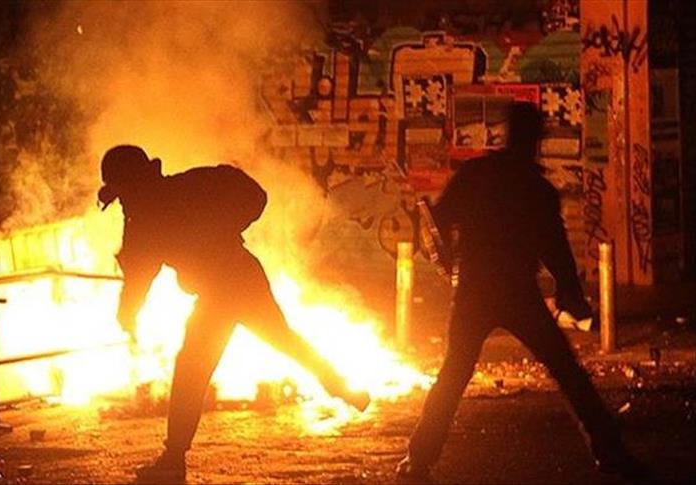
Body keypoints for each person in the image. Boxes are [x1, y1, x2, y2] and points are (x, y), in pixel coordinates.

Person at [397, 103, 646, 483]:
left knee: (455, 373)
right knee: (567, 371)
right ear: (536, 139)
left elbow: (438, 223)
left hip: (476, 292)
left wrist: (443, 254)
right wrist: (571, 293)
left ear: (507, 133)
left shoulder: (476, 174)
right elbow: (556, 250)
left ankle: (419, 459)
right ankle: (610, 451)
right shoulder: (537, 189)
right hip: (517, 292)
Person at [97, 145, 370, 483]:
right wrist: (226, 230)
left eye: (122, 194)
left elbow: (140, 273)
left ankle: (173, 460)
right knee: (283, 342)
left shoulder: (159, 209)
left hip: (224, 289)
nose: (122, 202)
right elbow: (141, 271)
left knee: (192, 367)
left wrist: (128, 313)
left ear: (133, 184)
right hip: (237, 278)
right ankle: (343, 388)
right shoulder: (182, 191)